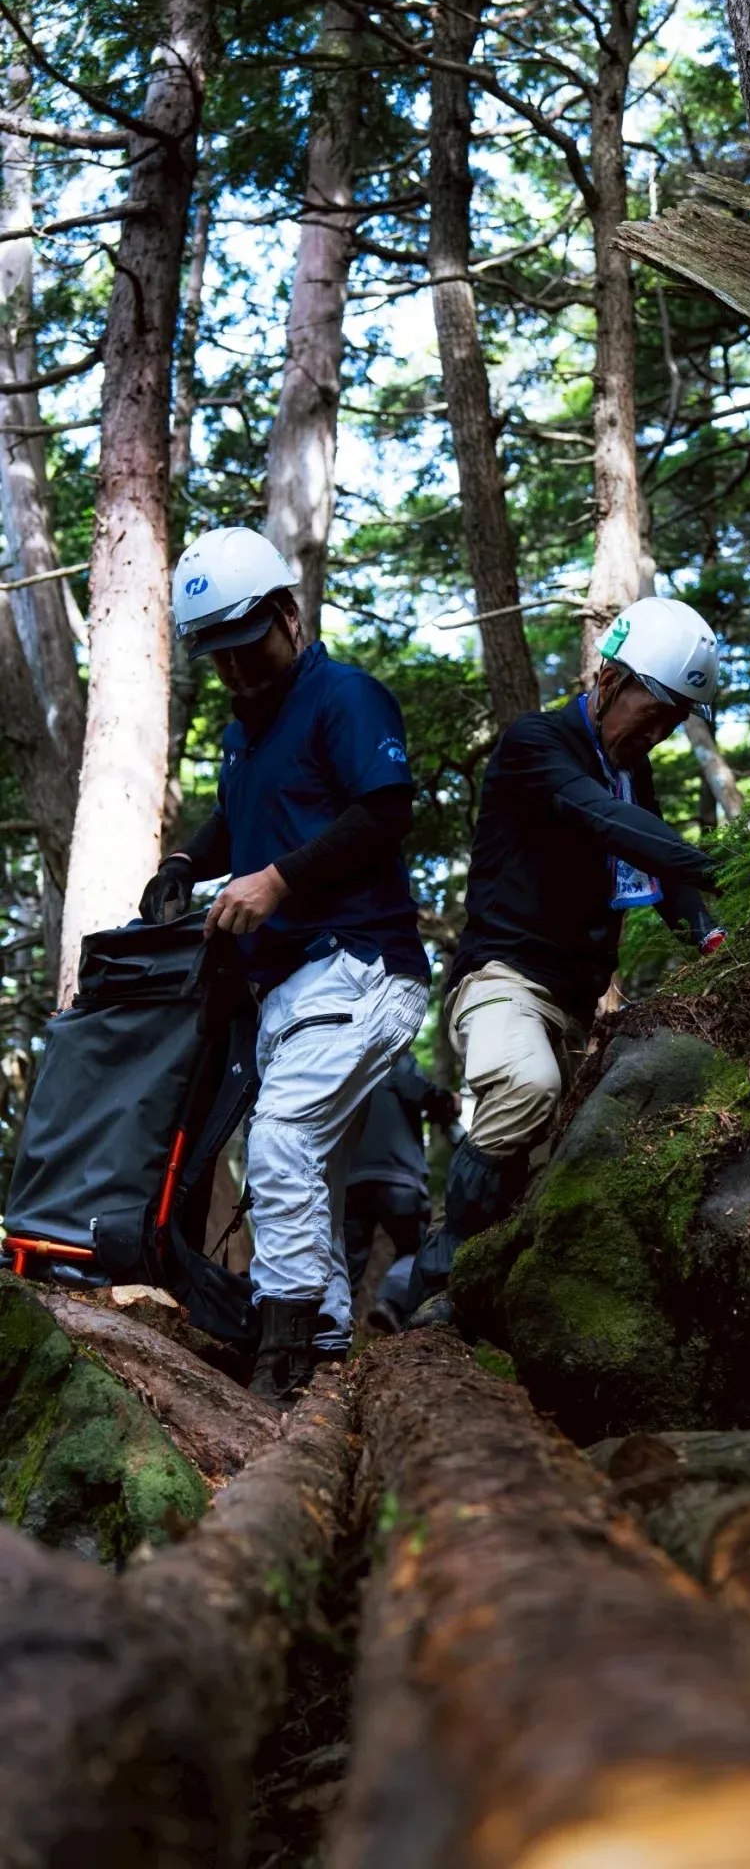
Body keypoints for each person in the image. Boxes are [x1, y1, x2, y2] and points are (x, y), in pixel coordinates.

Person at [140, 526, 431, 1405]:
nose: (235, 670)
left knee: (284, 1140)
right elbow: (234, 817)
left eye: (245, 646)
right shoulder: (245, 733)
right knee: (313, 1159)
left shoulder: (343, 697)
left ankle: (281, 1357)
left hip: (361, 964)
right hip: (291, 986)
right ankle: (326, 1340)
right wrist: (186, 864)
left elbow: (383, 813)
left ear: (287, 615)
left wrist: (278, 880)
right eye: (217, 657)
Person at [407, 596, 725, 1312]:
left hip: (577, 1003)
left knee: (548, 1171)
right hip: (504, 978)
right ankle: (439, 1278)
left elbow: (658, 867)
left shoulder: (628, 770)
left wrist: (710, 936)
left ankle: (491, 1308)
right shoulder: (535, 743)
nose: (661, 732)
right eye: (656, 711)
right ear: (611, 679)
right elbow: (607, 822)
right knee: (523, 1086)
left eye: (676, 721)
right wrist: (724, 860)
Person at [344, 1050, 458, 1333]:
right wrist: (448, 1103)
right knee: (417, 1248)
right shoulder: (390, 1052)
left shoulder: (344, 1060)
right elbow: (416, 1088)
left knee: (345, 1262)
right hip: (398, 1174)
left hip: (350, 1178)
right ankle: (392, 1301)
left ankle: (329, 1335)